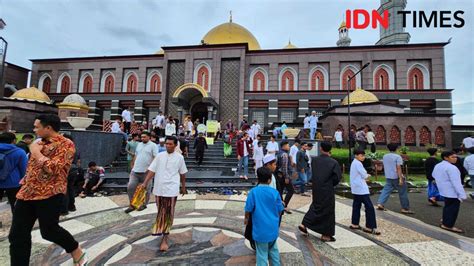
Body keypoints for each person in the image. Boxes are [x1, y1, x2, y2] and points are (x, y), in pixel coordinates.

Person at [9, 114, 86, 265]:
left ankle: (75, 249)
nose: (34, 130)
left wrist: (36, 152)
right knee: (17, 234)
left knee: (49, 231)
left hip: (50, 193)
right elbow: (32, 167)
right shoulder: (38, 142)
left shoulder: (66, 144)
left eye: (37, 127)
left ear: (48, 127)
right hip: (27, 193)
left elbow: (55, 168)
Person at [143, 136, 188, 251]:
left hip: (172, 189)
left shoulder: (179, 158)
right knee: (160, 212)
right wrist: (145, 183)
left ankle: (165, 238)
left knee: (168, 213)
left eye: (170, 144)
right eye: (166, 144)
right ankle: (162, 231)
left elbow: (183, 173)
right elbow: (152, 170)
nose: (167, 146)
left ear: (175, 145)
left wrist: (183, 187)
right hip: (158, 188)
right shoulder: (159, 156)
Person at [298, 141, 341, 242]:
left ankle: (304, 224)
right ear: (330, 150)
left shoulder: (315, 160)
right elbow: (337, 178)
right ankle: (326, 234)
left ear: (321, 149)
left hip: (316, 187)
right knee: (328, 210)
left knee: (315, 206)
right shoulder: (333, 162)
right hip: (327, 188)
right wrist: (330, 184)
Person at [244, 167, 284, 266]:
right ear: (270, 180)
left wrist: (246, 218)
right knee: (273, 250)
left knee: (261, 254)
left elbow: (248, 209)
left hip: (260, 230)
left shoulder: (253, 192)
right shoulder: (275, 193)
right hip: (273, 228)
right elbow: (280, 210)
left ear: (258, 178)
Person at [433, 151, 467, 233]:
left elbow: (433, 175)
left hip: (443, 190)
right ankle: (448, 225)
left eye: (456, 157)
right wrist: (462, 195)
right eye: (453, 157)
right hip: (452, 192)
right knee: (452, 209)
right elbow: (456, 183)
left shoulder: (438, 165)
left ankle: (445, 221)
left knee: (447, 207)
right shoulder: (452, 168)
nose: (455, 159)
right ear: (445, 157)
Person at [376, 143, 414, 214]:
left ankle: (380, 203)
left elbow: (382, 166)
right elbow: (398, 168)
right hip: (396, 176)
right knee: (403, 192)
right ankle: (405, 208)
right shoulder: (397, 157)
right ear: (396, 148)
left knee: (386, 190)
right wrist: (400, 178)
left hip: (388, 176)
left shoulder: (385, 156)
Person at [125, 131, 157, 213]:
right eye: (141, 137)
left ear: (149, 137)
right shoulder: (139, 144)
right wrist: (132, 164)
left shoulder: (153, 145)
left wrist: (150, 168)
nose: (142, 138)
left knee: (146, 189)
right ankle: (132, 205)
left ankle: (144, 204)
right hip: (135, 170)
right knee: (130, 187)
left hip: (147, 172)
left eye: (144, 137)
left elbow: (155, 157)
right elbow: (136, 155)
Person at [349, 149, 380, 235]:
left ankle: (354, 223)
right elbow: (365, 175)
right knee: (369, 207)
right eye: (361, 155)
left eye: (363, 155)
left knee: (356, 205)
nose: (363, 157)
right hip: (361, 189)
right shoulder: (358, 164)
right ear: (356, 155)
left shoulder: (354, 163)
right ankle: (370, 227)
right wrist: (368, 175)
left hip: (356, 188)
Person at [0, 132, 28, 213]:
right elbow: (24, 169)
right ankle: (16, 223)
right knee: (15, 205)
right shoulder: (19, 152)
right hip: (14, 183)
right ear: (13, 141)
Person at [276, 141, 294, 214]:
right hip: (284, 176)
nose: (289, 147)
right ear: (284, 146)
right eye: (288, 145)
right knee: (291, 190)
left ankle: (281, 206)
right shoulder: (284, 154)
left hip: (279, 175)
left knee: (280, 191)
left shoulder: (279, 153)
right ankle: (283, 205)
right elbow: (284, 167)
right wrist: (286, 177)